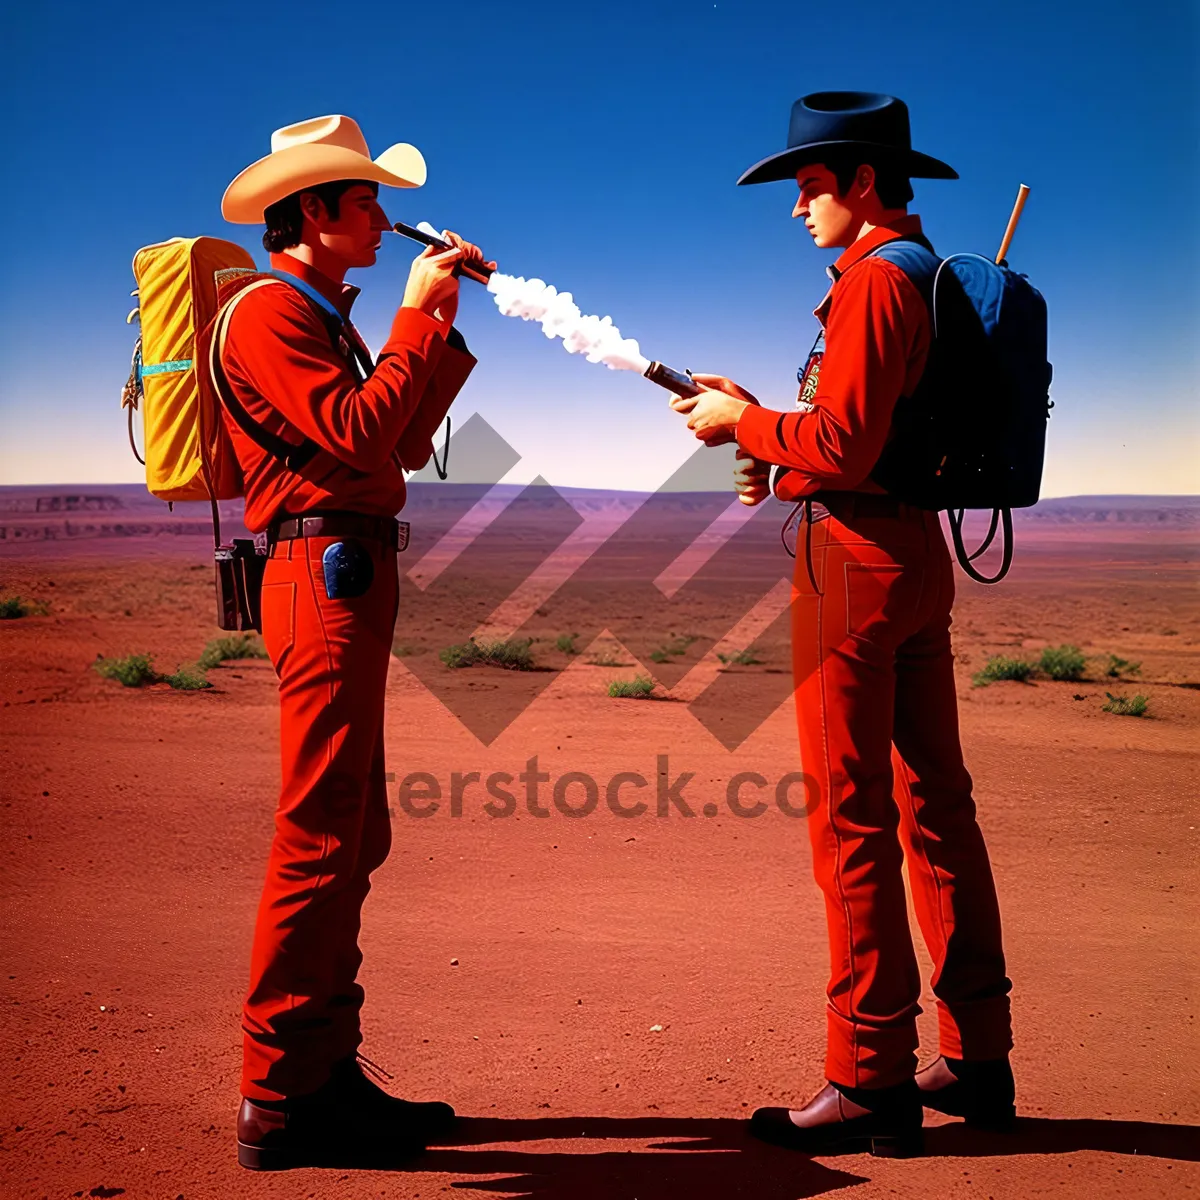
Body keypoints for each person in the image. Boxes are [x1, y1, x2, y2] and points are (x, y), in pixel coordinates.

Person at [671, 92, 1014, 1157]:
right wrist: (772, 437)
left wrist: (745, 425)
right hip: (915, 557)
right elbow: (860, 432)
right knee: (936, 806)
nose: (798, 209)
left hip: (857, 568)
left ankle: (869, 1076)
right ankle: (975, 1055)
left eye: (810, 188)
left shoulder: (870, 283)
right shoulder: (922, 273)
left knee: (850, 819)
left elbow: (851, 444)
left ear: (863, 182)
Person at [216, 114, 494, 1171]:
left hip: (351, 572)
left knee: (354, 829)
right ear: (318, 211)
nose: (385, 219)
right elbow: (359, 436)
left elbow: (404, 437)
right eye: (368, 201)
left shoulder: (324, 317)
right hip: (318, 578)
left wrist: (441, 328)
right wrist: (417, 321)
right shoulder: (268, 316)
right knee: (319, 834)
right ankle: (279, 1094)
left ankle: (323, 1068)